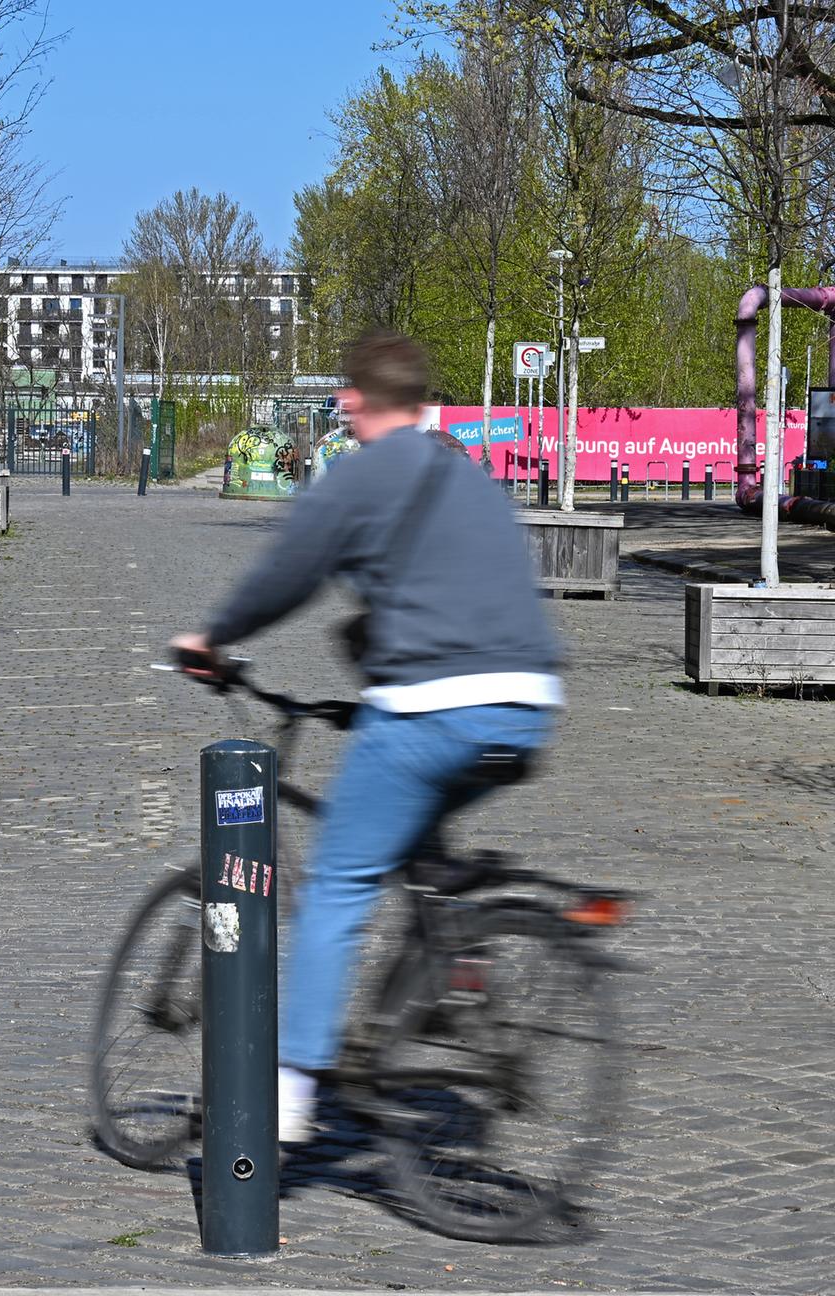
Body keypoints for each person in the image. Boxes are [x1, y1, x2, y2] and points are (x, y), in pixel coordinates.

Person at [171, 331, 562, 1143]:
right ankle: (454, 956)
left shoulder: (366, 472)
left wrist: (213, 637)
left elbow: (291, 569)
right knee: (423, 843)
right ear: (423, 399)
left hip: (435, 707)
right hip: (526, 704)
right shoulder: (467, 474)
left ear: (352, 401)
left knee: (342, 883)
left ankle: (285, 1093)